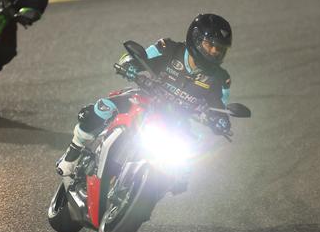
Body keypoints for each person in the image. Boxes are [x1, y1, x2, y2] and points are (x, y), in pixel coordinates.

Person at [56, 13, 234, 177]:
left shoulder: (220, 79)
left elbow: (220, 109)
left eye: (219, 49)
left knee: (185, 167)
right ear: (196, 38)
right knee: (101, 109)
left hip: (175, 121)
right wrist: (130, 64)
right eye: (210, 45)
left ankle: (148, 190)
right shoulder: (168, 48)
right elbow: (136, 58)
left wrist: (220, 121)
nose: (214, 52)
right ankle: (73, 152)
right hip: (144, 100)